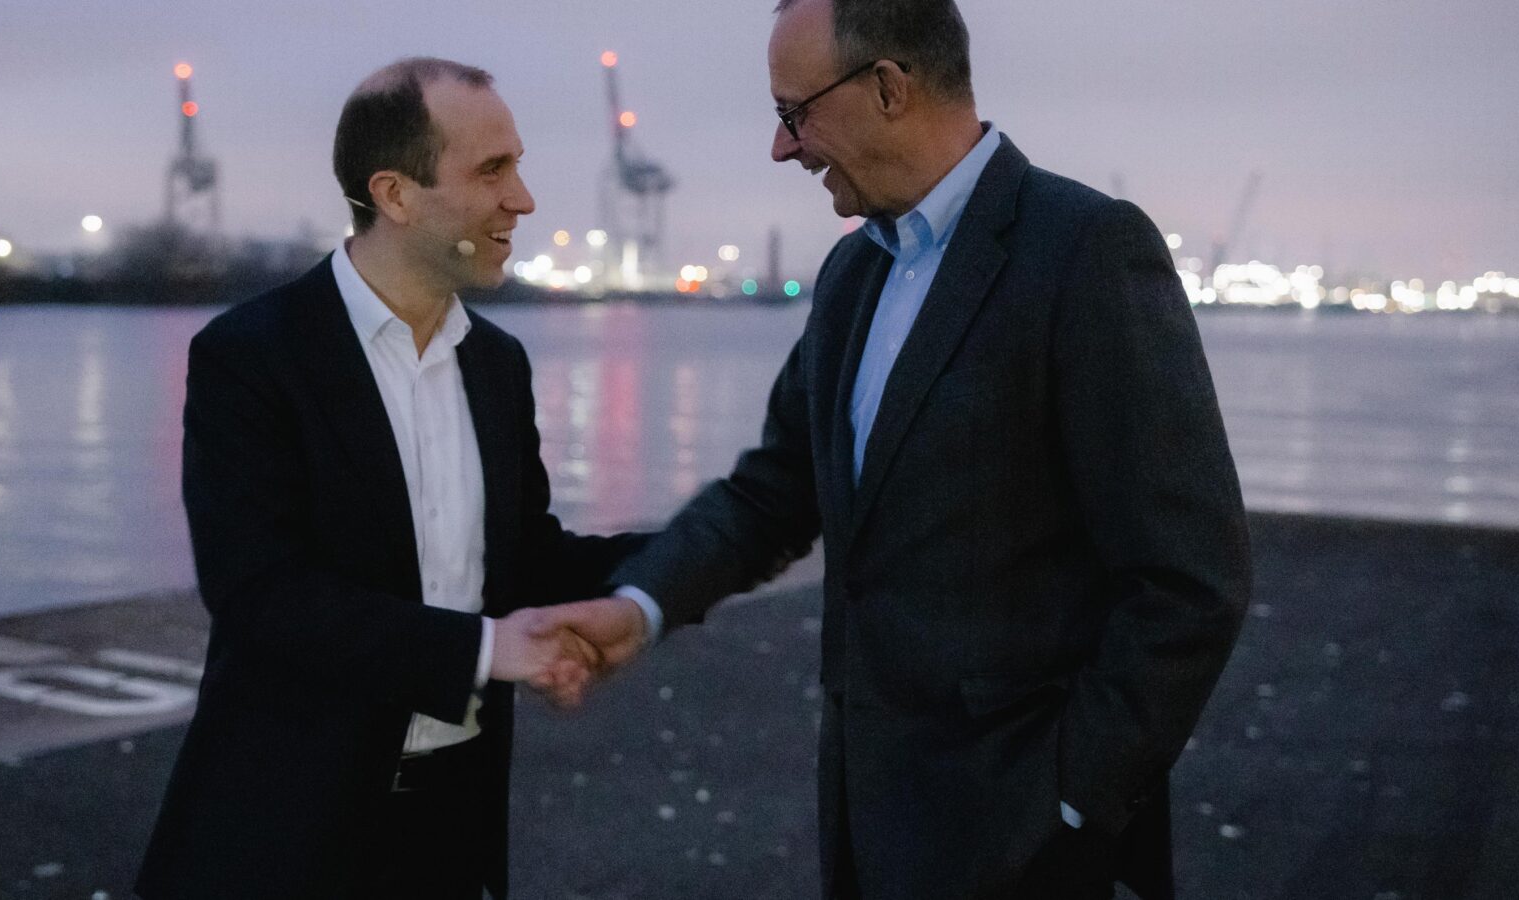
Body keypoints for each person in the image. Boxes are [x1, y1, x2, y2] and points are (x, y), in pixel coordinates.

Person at [537, 1, 1253, 897]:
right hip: (867, 829)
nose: (782, 148)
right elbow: (776, 489)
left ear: (887, 88)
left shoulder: (1085, 251)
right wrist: (638, 604)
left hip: (1031, 843)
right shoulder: (853, 273)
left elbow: (1190, 578)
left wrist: (1071, 802)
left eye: (793, 113)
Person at [136, 57, 638, 900]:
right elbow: (261, 597)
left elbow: (525, 558)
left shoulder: (496, 363)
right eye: (492, 170)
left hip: (453, 831)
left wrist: (708, 552)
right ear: (396, 195)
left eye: (517, 164)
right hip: (283, 837)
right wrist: (487, 648)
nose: (524, 198)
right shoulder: (252, 356)